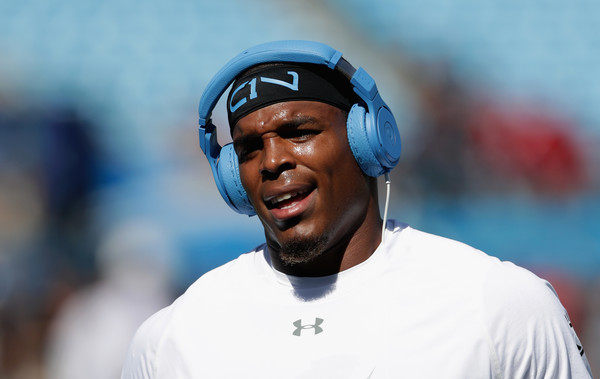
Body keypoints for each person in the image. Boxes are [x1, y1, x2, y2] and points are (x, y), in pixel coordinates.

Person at [121, 41, 593, 378]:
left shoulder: (501, 305)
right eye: (247, 148)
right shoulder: (172, 338)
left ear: (368, 141)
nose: (272, 161)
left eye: (299, 131)